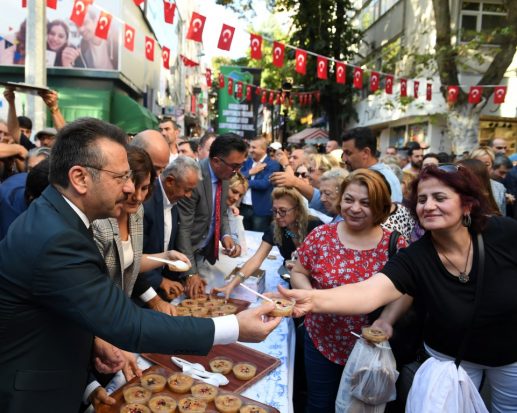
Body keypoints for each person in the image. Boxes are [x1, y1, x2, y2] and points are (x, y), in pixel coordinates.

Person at [0, 118, 281, 413]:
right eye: (120, 177)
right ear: (80, 178)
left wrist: (91, 351)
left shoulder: (58, 218)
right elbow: (128, 323)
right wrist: (233, 327)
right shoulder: (56, 237)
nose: (129, 188)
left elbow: (57, 312)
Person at [278, 164, 517, 413]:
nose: (429, 205)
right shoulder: (417, 255)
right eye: (422, 199)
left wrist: (387, 319)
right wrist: (311, 299)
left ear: (467, 203)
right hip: (450, 360)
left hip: (509, 358)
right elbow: (369, 293)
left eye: (440, 197)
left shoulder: (503, 233)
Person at [287, 169, 406, 412]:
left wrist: (387, 319)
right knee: (319, 404)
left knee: (360, 407)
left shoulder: (394, 244)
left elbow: (405, 289)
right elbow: (299, 272)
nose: (355, 208)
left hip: (370, 348)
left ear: (381, 206)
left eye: (366, 203)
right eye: (349, 200)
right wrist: (310, 296)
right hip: (321, 340)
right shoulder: (321, 236)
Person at [212, 186, 323, 298]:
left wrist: (302, 261)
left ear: (297, 209)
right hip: (294, 281)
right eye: (275, 211)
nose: (278, 216)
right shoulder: (277, 228)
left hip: (317, 285)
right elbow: (256, 259)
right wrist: (232, 284)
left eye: (283, 211)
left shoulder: (315, 226)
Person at [176, 133, 247, 297]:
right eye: (234, 166)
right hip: (184, 257)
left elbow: (220, 213)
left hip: (204, 255)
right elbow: (184, 230)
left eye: (240, 166)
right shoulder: (194, 178)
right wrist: (191, 273)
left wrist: (226, 235)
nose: (237, 172)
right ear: (216, 161)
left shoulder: (226, 175)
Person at [341, 127, 403, 203]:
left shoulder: (377, 179)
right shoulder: (383, 174)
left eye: (348, 153)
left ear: (365, 153)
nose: (344, 159)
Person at [240, 136, 282, 232]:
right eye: (250, 147)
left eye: (254, 147)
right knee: (243, 237)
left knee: (258, 240)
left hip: (260, 210)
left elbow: (264, 184)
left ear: (263, 149)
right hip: (243, 207)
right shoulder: (247, 162)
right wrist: (250, 172)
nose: (250, 150)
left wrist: (243, 181)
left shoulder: (273, 164)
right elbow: (236, 177)